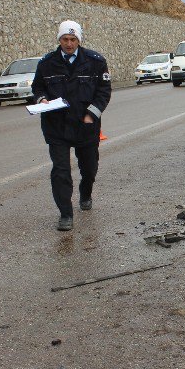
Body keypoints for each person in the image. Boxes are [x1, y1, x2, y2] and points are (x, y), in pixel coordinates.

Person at [32, 20, 111, 232]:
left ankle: (86, 194)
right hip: (56, 127)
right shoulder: (46, 63)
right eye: (65, 39)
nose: (69, 43)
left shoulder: (95, 61)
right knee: (60, 171)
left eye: (73, 39)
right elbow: (37, 87)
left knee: (89, 168)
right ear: (59, 40)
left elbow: (104, 92)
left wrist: (91, 115)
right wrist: (41, 100)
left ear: (79, 40)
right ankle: (65, 213)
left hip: (85, 126)